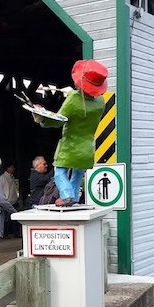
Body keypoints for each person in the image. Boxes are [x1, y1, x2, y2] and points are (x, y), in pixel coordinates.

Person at [32, 60, 107, 206]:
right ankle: (74, 199)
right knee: (78, 173)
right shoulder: (100, 102)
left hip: (70, 144)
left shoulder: (73, 99)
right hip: (87, 147)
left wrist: (41, 117)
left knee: (59, 171)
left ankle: (66, 195)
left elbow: (59, 120)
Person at [0, 162, 20, 237]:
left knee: (13, 218)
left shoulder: (12, 177)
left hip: (13, 200)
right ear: (8, 168)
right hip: (6, 201)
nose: (13, 169)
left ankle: (15, 233)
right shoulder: (2, 178)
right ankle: (5, 234)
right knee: (6, 219)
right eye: (12, 167)